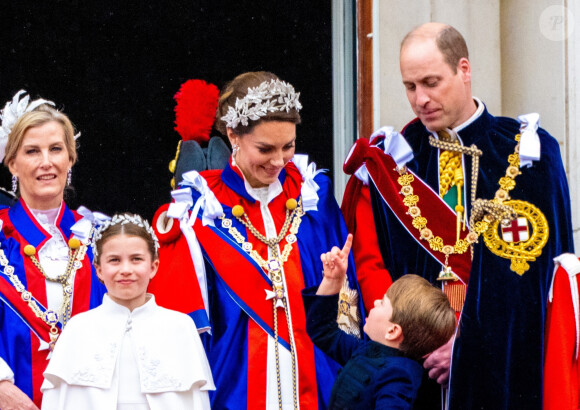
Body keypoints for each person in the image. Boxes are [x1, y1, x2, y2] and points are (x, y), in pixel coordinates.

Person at [341, 23, 574, 409]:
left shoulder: (529, 154)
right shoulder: (397, 162)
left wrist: (467, 349)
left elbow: (541, 286)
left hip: (504, 375)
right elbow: (375, 273)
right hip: (414, 378)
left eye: (431, 82)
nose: (420, 99)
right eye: (410, 86)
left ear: (463, 70)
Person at [149, 71, 363, 409]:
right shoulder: (198, 210)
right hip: (233, 386)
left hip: (318, 382)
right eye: (265, 148)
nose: (279, 161)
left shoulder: (313, 198)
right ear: (233, 135)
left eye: (288, 146)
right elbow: (181, 324)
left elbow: (347, 307)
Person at [41, 213, 215, 409]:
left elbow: (196, 402)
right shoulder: (78, 329)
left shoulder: (180, 327)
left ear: (153, 266)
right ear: (98, 269)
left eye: (136, 259)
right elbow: (57, 402)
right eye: (114, 260)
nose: (125, 269)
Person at [0, 91, 107, 409]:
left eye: (56, 149)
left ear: (70, 159)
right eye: (32, 151)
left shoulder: (103, 239)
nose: (46, 162)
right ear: (12, 164)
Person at [302, 234, 456, 409]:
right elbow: (322, 330)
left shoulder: (399, 377)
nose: (374, 303)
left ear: (392, 331)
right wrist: (332, 281)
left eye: (382, 303)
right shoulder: (364, 350)